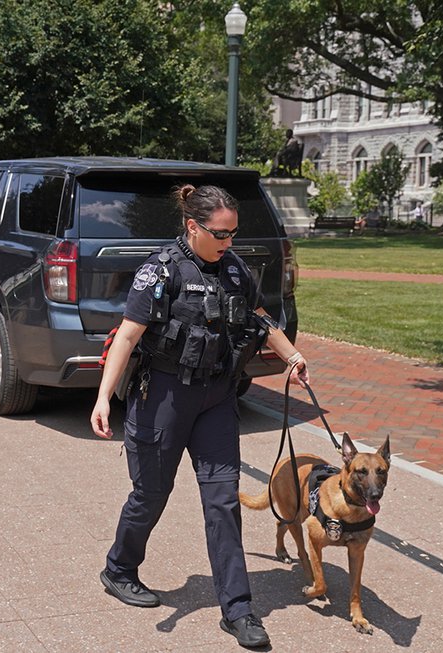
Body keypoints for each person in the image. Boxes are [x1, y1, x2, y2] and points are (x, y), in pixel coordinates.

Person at [91, 184, 309, 649]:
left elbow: (257, 314)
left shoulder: (233, 268)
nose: (230, 242)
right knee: (150, 494)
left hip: (217, 398)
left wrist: (291, 355)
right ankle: (119, 568)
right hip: (165, 397)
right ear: (193, 226)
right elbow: (128, 337)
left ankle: (238, 610)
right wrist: (103, 397)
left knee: (223, 502)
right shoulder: (160, 270)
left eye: (233, 233)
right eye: (221, 234)